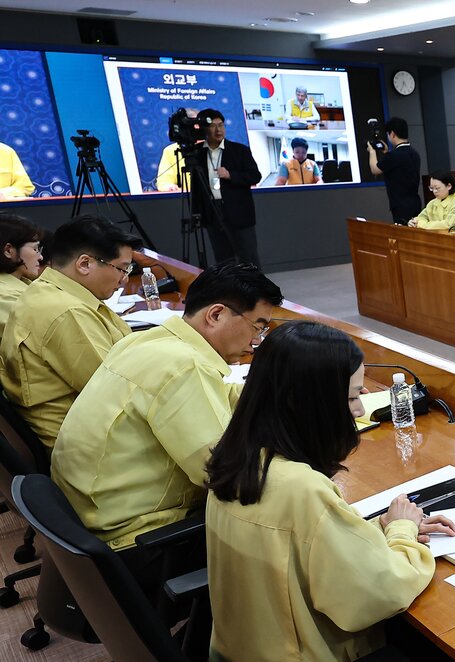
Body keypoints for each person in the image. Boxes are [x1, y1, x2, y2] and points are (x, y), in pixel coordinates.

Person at [204, 321, 455, 662]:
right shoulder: (302, 489)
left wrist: (374, 530)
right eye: (352, 397)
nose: (358, 410)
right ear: (310, 403)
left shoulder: (240, 458)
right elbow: (379, 593)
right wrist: (404, 532)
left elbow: (299, 547)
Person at [52, 262, 283, 550]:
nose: (256, 341)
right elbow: (222, 474)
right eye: (257, 327)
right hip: (138, 538)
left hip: (86, 516)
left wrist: (285, 394)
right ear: (216, 315)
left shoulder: (146, 340)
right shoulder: (183, 367)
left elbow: (219, 394)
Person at [0, 215, 138, 447]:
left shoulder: (53, 292)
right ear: (84, 264)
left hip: (96, 434)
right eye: (122, 269)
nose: (124, 280)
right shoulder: (65, 312)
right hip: (94, 449)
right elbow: (123, 395)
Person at [191, 109, 263, 267]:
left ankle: (256, 291)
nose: (218, 130)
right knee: (223, 259)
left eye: (221, 125)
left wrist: (231, 175)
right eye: (213, 126)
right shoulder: (197, 154)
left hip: (238, 212)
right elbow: (195, 187)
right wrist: (196, 213)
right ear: (204, 129)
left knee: (248, 258)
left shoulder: (239, 150)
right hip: (212, 213)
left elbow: (255, 176)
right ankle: (229, 290)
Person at [367, 117, 422, 225]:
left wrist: (372, 151)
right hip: (415, 202)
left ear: (392, 134)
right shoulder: (413, 153)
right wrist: (387, 152)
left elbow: (375, 169)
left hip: (400, 206)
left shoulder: (395, 155)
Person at [0, 212, 43, 332]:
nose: (40, 257)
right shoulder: (6, 298)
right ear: (8, 250)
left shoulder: (26, 286)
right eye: (35, 249)